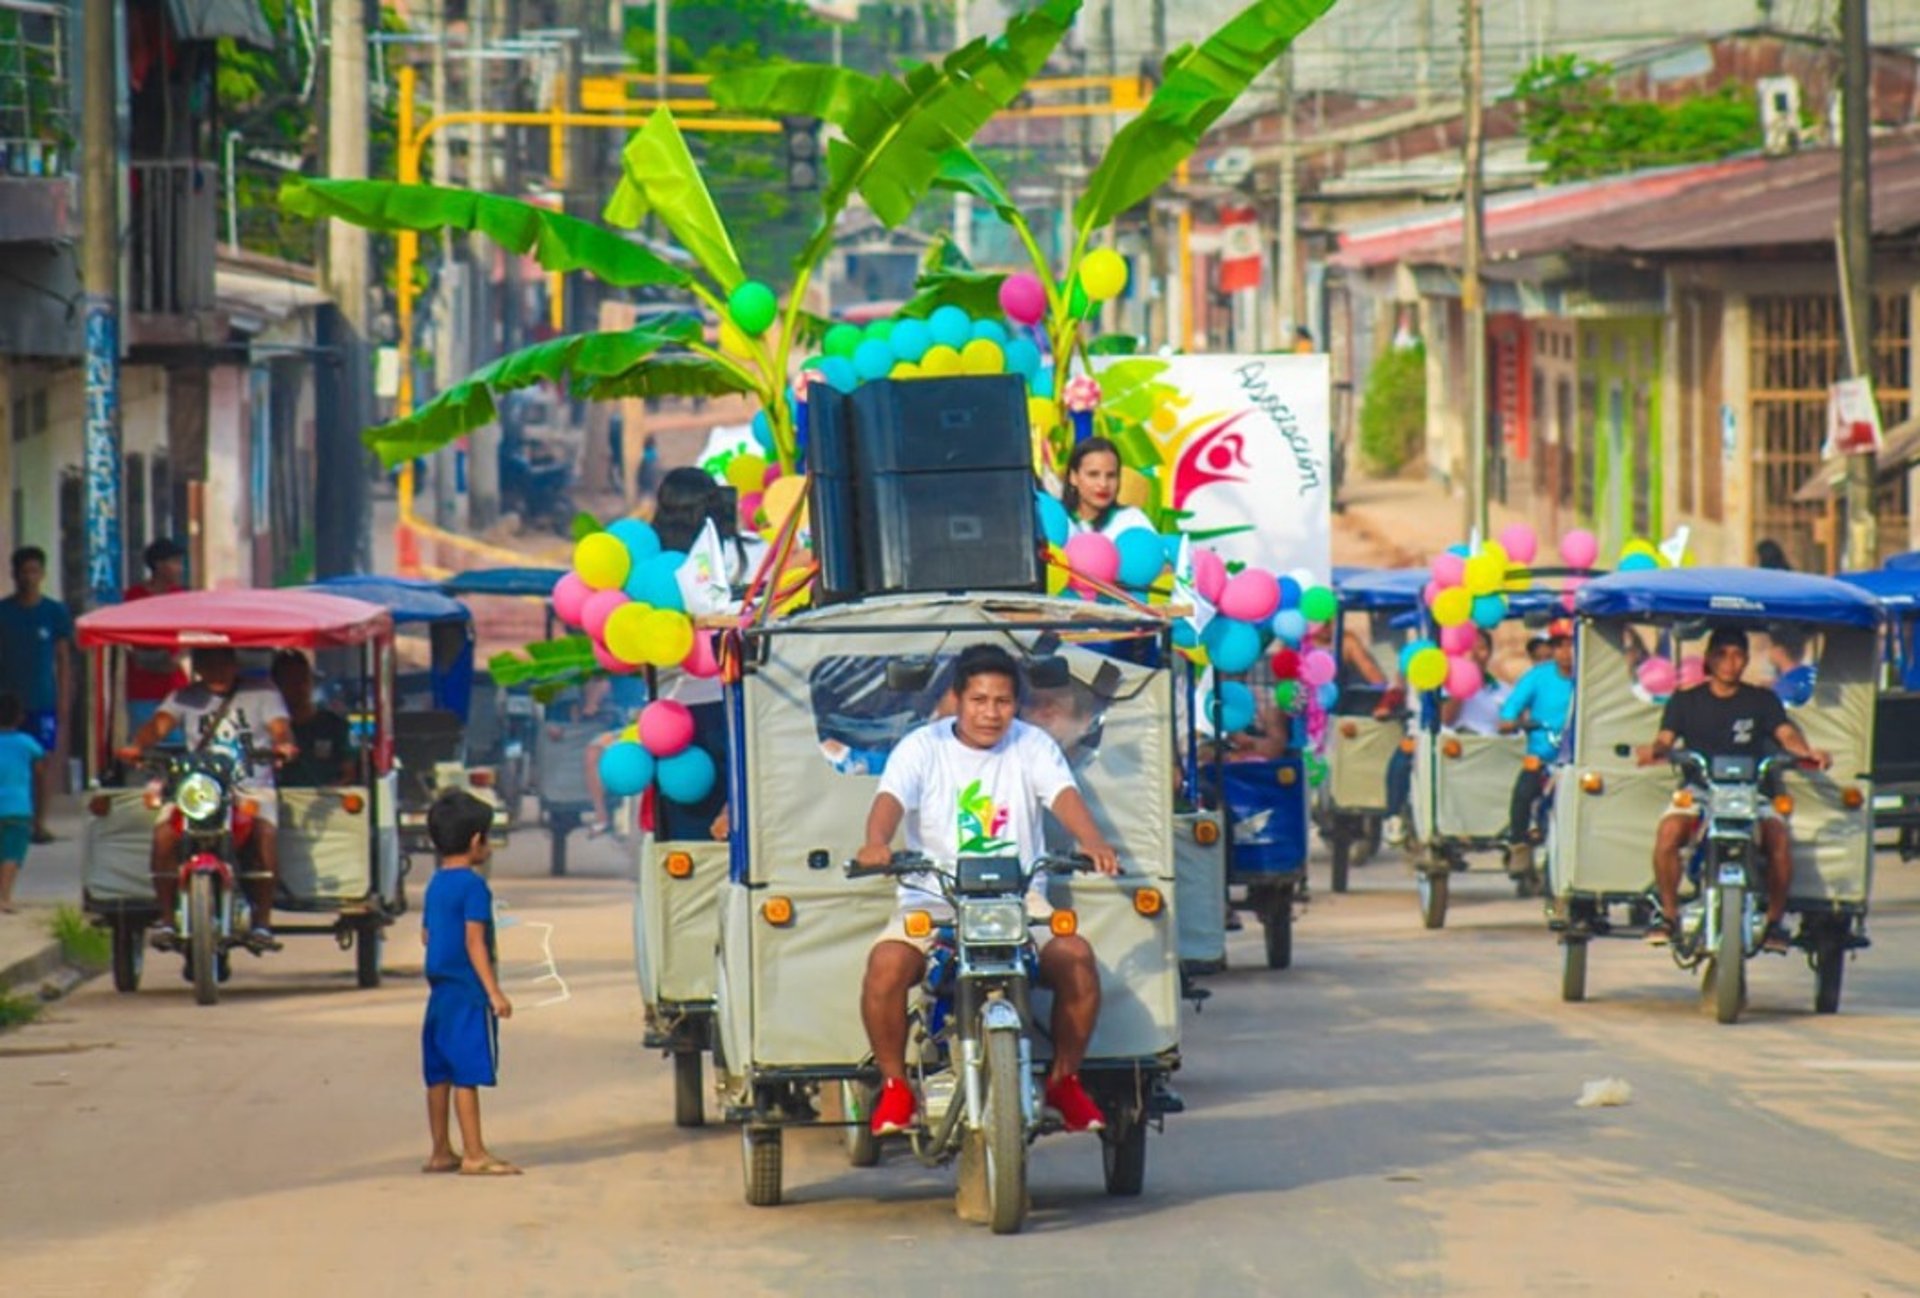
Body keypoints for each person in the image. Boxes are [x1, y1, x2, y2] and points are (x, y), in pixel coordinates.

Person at [855, 644, 1121, 1137]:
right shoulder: (921, 747)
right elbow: (890, 799)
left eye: (1002, 701)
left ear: (1015, 704)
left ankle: (1065, 1081)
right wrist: (876, 843)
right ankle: (893, 1087)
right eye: (979, 699)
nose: (990, 712)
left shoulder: (1032, 745)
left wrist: (1093, 841)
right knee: (886, 966)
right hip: (935, 899)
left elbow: (1063, 795)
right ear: (957, 698)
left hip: (1019, 902)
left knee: (1078, 959)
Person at [1635, 626, 1831, 952]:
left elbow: (1786, 735)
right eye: (1723, 654)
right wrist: (1654, 750)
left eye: (1738, 654)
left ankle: (1773, 922)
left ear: (1746, 660)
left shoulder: (1762, 701)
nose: (1730, 662)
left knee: (1779, 841)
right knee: (1668, 832)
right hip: (1700, 791)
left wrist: (1807, 753)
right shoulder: (1685, 701)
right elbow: (1665, 739)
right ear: (1710, 659)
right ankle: (1668, 915)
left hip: (1753, 792)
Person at [121, 648, 298, 949]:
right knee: (164, 835)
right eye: (208, 664)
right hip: (198, 787)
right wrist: (137, 746)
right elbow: (158, 726)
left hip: (250, 786)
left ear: (234, 663)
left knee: (264, 834)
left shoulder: (263, 693)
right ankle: (166, 920)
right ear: (198, 667)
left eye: (222, 662)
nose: (216, 670)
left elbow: (280, 728)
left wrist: (283, 745)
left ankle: (263, 923)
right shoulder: (183, 696)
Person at [419, 789, 519, 1177]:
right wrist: (493, 992)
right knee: (466, 1073)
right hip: (466, 990)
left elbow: (428, 935)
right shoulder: (474, 886)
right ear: (477, 840)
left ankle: (441, 1150)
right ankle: (474, 1152)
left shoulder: (436, 884)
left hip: (439, 991)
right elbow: (474, 940)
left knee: (439, 1072)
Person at [0, 547, 72, 844]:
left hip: (42, 699)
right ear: (14, 575)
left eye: (34, 571)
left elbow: (63, 659)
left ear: (42, 574)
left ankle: (38, 824)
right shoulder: (3, 612)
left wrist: (64, 698)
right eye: (23, 572)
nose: (29, 578)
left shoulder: (54, 612)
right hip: (6, 703)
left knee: (42, 765)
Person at [1499, 621, 1576, 847]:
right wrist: (1510, 720)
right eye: (1559, 646)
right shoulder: (1538, 676)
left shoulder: (1589, 679)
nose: (1565, 652)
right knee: (1523, 795)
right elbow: (1512, 705)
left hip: (1578, 759)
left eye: (1571, 645)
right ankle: (1518, 846)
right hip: (1542, 756)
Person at [123, 538, 190, 732]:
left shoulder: (181, 598)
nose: (179, 569)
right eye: (175, 562)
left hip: (174, 686)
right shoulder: (133, 597)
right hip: (140, 687)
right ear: (159, 565)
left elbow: (192, 634)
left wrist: (178, 658)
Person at [270, 651, 357, 787]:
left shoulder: (335, 726)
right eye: (290, 681)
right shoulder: (268, 729)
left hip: (326, 802)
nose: (299, 688)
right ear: (277, 686)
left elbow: (349, 773)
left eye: (303, 679)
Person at [0, 694, 45, 912]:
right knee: (12, 854)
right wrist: (40, 818)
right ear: (19, 718)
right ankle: (5, 897)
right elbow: (40, 776)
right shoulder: (28, 744)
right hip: (18, 807)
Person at [1060, 437, 1153, 537]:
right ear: (1073, 477)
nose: (1103, 484)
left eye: (1111, 475)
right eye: (1093, 474)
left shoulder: (1132, 520)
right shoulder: (1057, 519)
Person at [1441, 630, 1510, 736]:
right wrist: (1462, 684)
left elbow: (1514, 723)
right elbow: (1445, 718)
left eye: (1481, 648)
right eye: (1469, 649)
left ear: (1490, 653)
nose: (1474, 655)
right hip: (1463, 746)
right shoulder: (1446, 686)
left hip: (1495, 746)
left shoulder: (1504, 689)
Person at [1766, 625, 1816, 707]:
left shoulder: (1782, 688)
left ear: (1780, 651)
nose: (1769, 651)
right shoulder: (1817, 673)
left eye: (1771, 646)